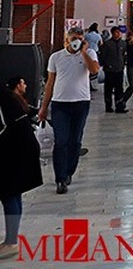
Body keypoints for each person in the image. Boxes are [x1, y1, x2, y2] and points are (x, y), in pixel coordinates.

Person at [37, 27, 99, 194]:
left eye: (79, 38)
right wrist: (44, 107)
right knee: (61, 141)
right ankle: (60, 178)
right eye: (73, 38)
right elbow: (50, 83)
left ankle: (69, 170)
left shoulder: (90, 54)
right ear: (66, 40)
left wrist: (84, 52)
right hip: (60, 104)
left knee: (75, 141)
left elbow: (94, 70)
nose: (75, 41)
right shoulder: (56, 57)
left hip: (81, 103)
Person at [0, 76, 42, 260]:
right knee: (12, 192)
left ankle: (11, 242)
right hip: (20, 145)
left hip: (14, 147)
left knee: (8, 191)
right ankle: (11, 239)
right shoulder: (6, 95)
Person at [98, 26, 128, 114]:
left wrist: (123, 64)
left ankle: (119, 107)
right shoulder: (107, 44)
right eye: (116, 32)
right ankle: (108, 106)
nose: (118, 34)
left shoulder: (123, 44)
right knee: (108, 89)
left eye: (119, 32)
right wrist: (105, 65)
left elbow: (124, 55)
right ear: (112, 33)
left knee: (119, 89)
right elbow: (102, 56)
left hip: (119, 70)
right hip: (109, 70)